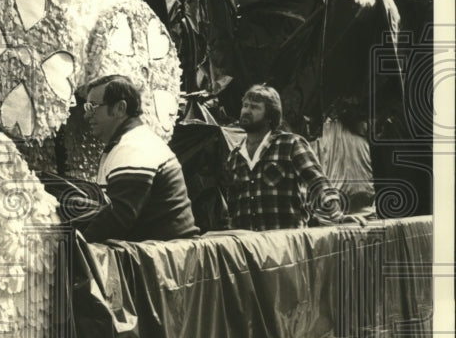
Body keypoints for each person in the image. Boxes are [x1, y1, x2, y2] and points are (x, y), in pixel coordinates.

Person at [223, 84, 364, 230]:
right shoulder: (235, 155)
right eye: (245, 105)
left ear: (270, 117)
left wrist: (337, 215)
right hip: (250, 246)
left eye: (254, 107)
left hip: (286, 244)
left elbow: (317, 182)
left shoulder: (290, 144)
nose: (246, 111)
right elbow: (232, 204)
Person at [79, 74, 199, 242]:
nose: (86, 116)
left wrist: (75, 247)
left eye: (93, 107)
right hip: (160, 253)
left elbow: (117, 218)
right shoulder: (129, 141)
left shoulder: (134, 146)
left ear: (120, 108)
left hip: (167, 257)